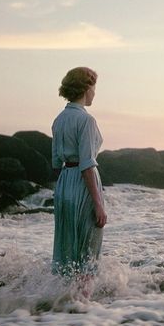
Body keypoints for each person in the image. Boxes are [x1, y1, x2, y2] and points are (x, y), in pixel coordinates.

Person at [51, 67, 107, 279]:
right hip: (83, 185)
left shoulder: (59, 119)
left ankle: (63, 304)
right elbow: (87, 164)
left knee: (66, 253)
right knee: (88, 254)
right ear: (86, 88)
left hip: (65, 184)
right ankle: (82, 306)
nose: (94, 92)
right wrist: (98, 203)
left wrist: (62, 193)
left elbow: (56, 162)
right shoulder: (86, 120)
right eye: (93, 87)